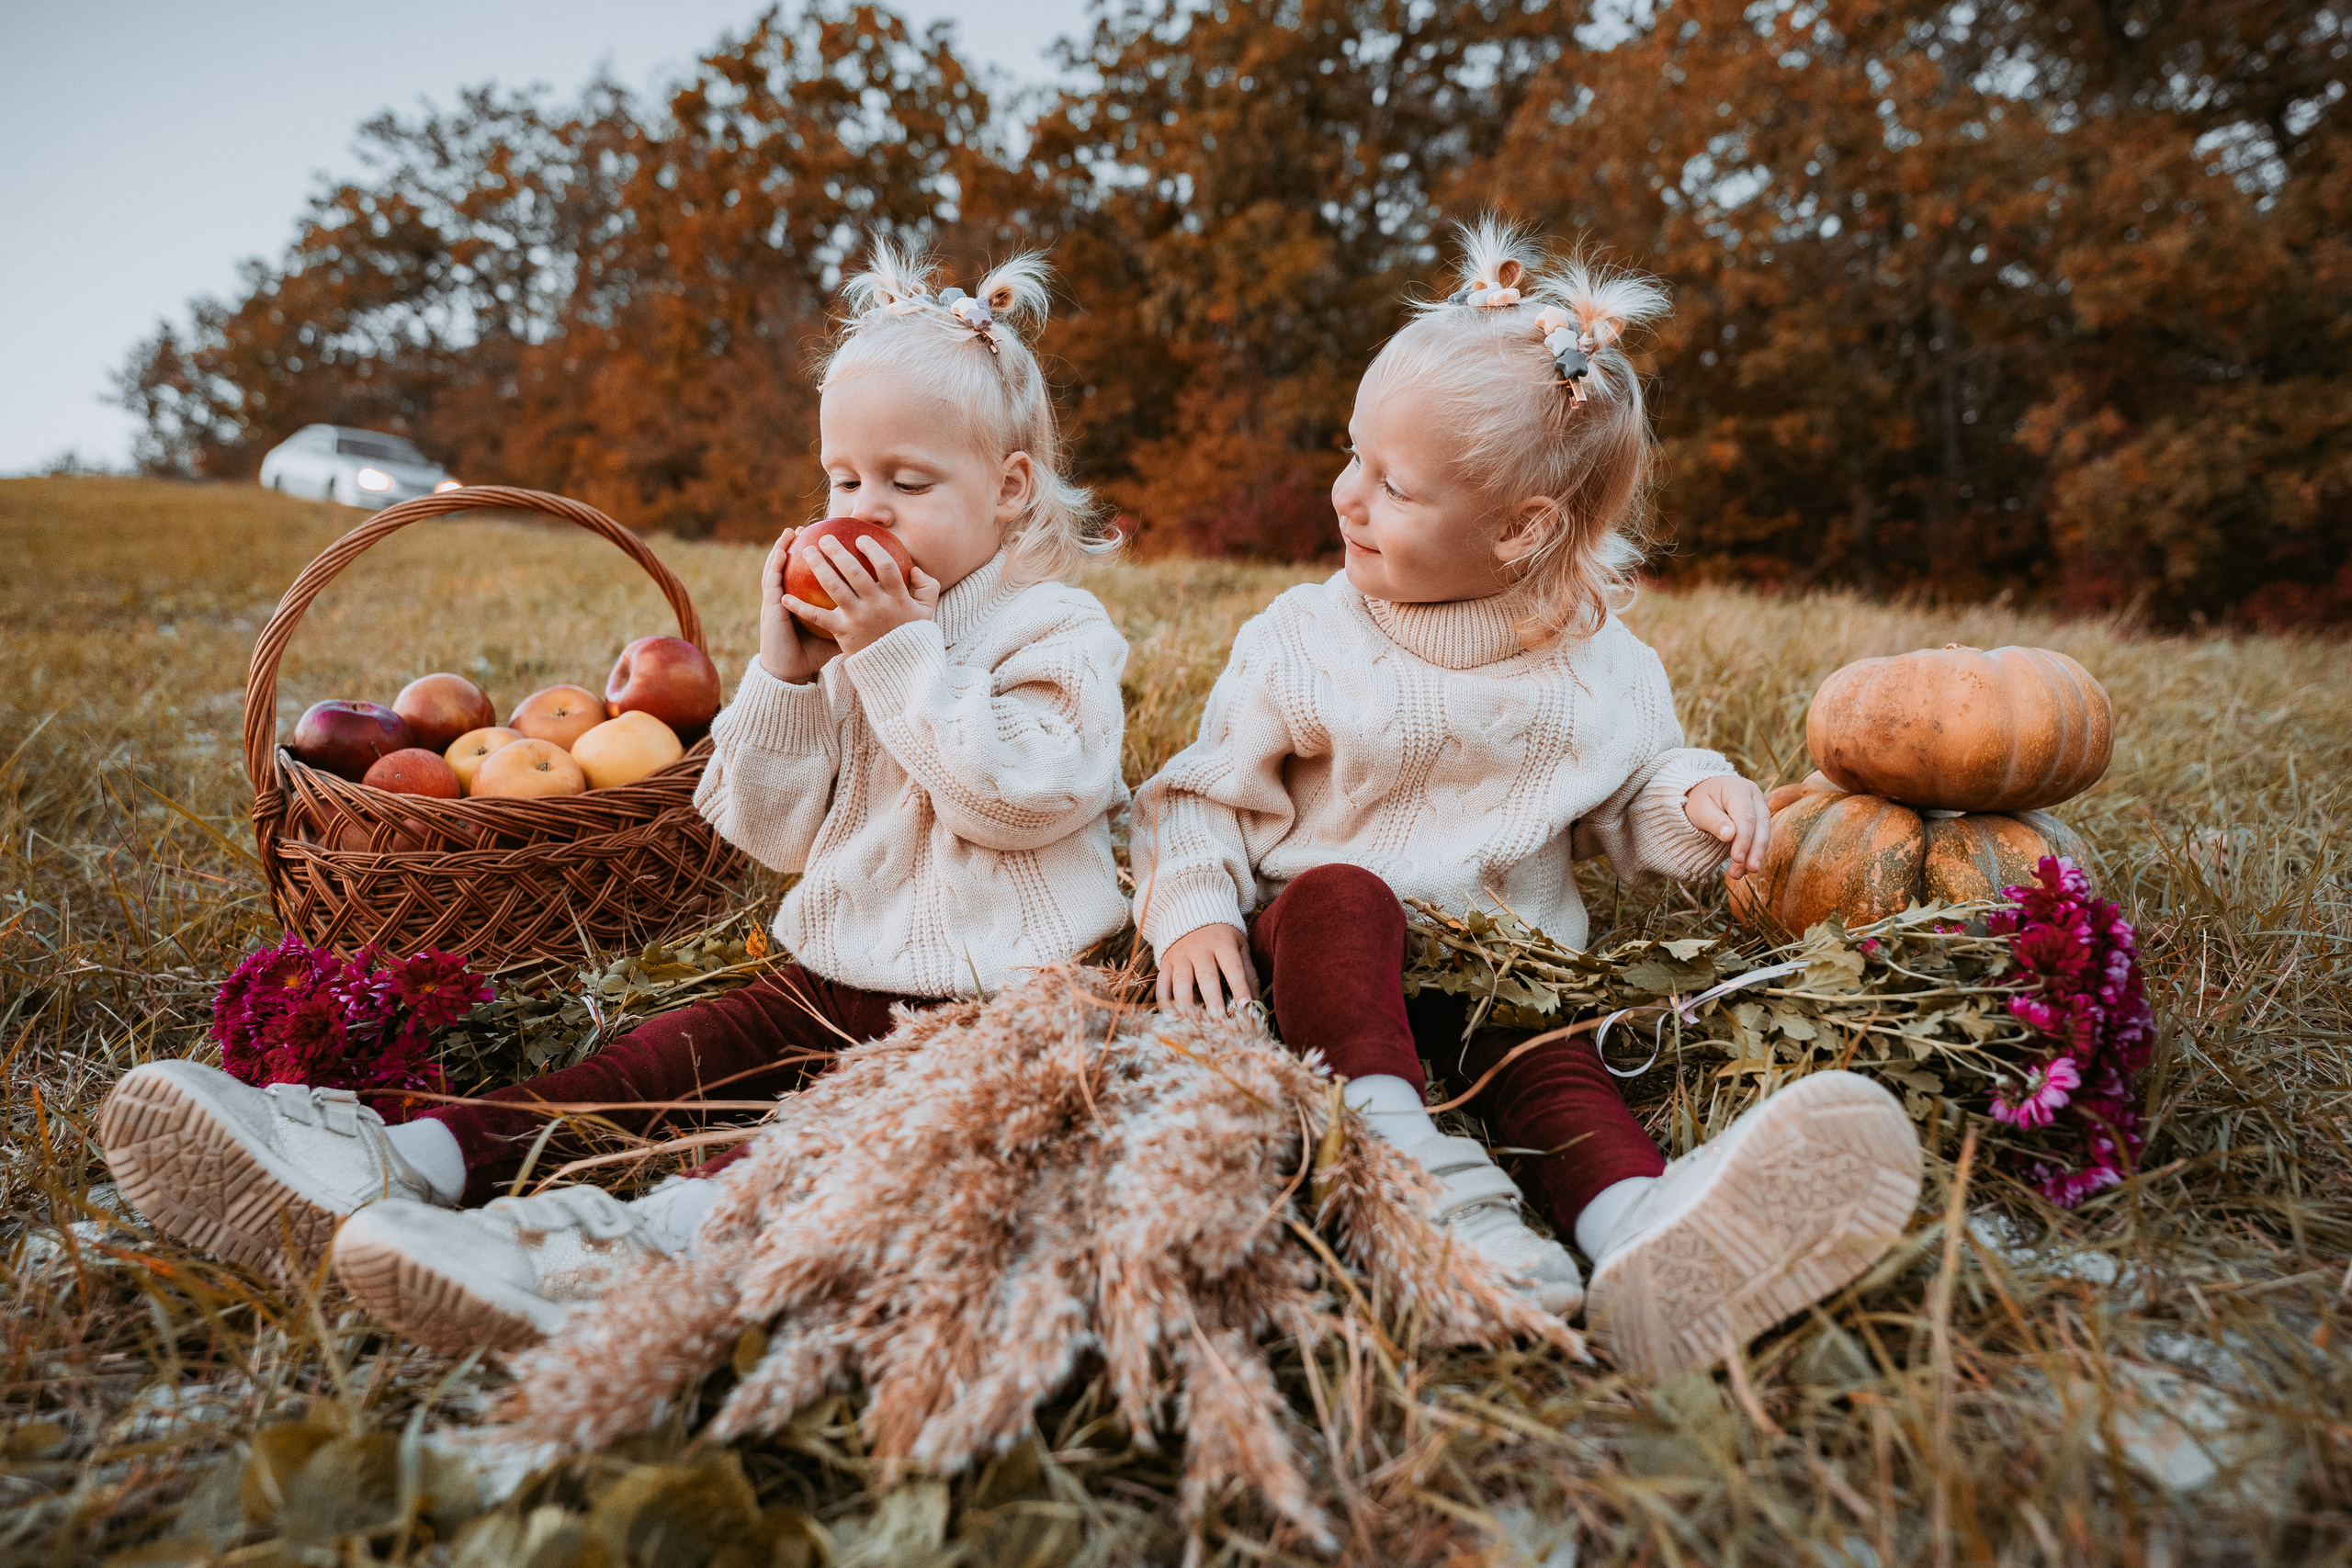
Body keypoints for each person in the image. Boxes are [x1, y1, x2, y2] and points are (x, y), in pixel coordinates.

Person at [99, 244, 1134, 1352]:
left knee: (830, 1132)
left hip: (1004, 1002)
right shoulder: (854, 639)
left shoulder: (1055, 633)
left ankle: (631, 1248)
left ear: (1011, 490)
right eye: (843, 482)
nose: (862, 515)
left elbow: (1020, 799)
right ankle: (416, 1157)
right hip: (837, 971)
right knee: (656, 1061)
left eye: (908, 485)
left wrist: (897, 656)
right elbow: (769, 828)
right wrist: (784, 675)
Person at [1130, 221, 1922, 1379]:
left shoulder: (1596, 666)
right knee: (1343, 898)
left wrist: (1696, 798)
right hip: (1324, 949)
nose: (1347, 496)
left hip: (1495, 955)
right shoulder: (1303, 640)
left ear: (1521, 529)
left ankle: (1637, 1228)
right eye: (1350, 457)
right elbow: (1201, 795)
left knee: (1545, 1056)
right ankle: (1413, 1185)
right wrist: (1193, 907)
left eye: (1393, 485)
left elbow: (1633, 791)